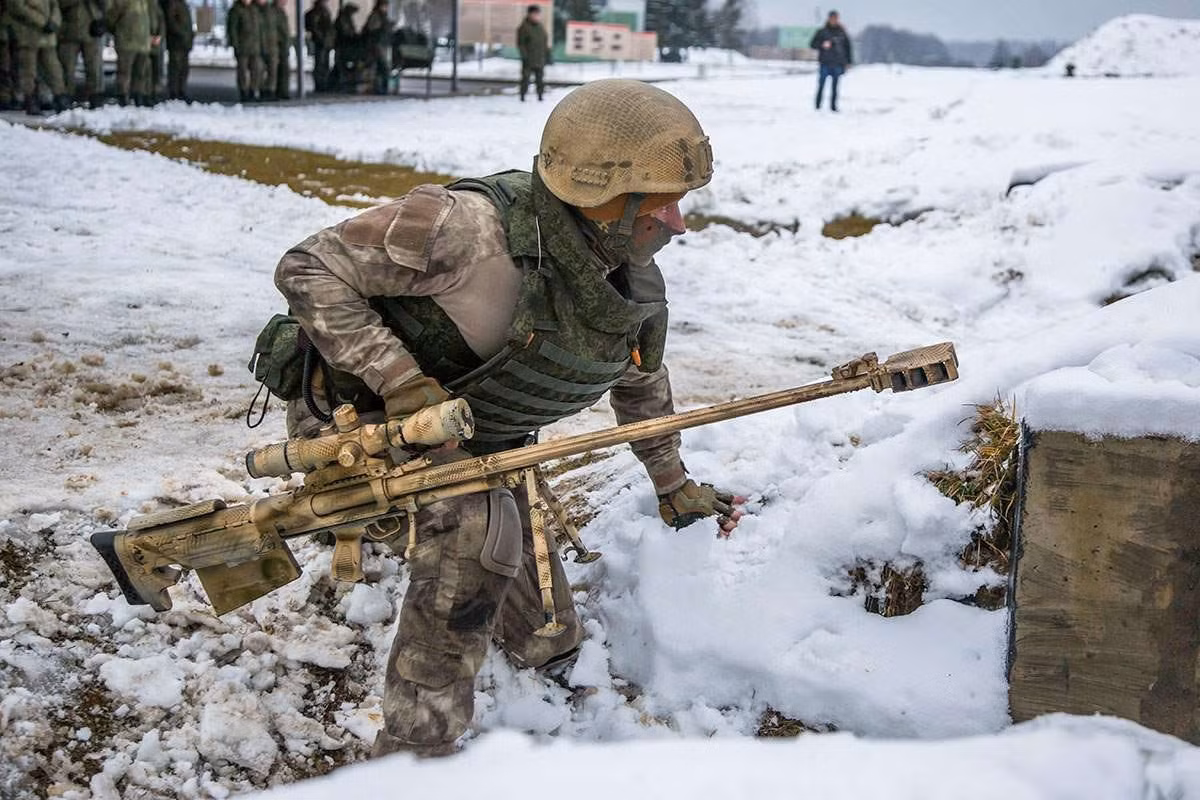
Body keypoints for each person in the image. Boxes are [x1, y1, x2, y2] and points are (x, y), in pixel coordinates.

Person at [264, 79, 743, 758]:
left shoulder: (626, 277)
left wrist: (672, 482)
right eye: (660, 205)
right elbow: (309, 266)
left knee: (549, 634)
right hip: (360, 424)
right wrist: (400, 382)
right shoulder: (464, 229)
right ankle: (416, 751)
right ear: (602, 197)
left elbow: (638, 376)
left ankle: (538, 667)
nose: (677, 224)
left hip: (478, 438)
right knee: (476, 522)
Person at [9, 0, 69, 114]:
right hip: (28, 34)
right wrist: (42, 22)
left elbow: (55, 5)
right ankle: (31, 100)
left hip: (47, 36)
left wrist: (54, 22)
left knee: (54, 69)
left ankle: (61, 96)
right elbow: (18, 8)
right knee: (28, 71)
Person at [55, 0, 104, 108]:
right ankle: (66, 96)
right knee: (67, 68)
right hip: (69, 30)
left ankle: (95, 96)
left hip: (91, 28)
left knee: (94, 67)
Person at [105, 0, 151, 106]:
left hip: (127, 40)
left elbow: (111, 17)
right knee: (139, 73)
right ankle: (137, 98)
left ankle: (124, 97)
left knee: (125, 73)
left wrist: (115, 29)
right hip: (141, 41)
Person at [809, 9, 852, 112]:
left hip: (838, 63)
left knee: (835, 86)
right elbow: (812, 44)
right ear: (829, 19)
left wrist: (848, 62)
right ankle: (818, 106)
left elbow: (848, 47)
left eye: (836, 18)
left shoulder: (842, 32)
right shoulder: (822, 32)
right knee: (821, 85)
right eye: (832, 18)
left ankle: (833, 107)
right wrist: (822, 45)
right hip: (825, 62)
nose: (834, 20)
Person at [226, 0, 260, 102]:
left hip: (254, 46)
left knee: (256, 70)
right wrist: (235, 45)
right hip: (242, 46)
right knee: (242, 71)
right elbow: (232, 29)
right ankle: (243, 92)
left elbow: (258, 29)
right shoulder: (236, 10)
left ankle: (252, 91)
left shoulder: (254, 9)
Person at [515, 3, 547, 102]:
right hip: (529, 58)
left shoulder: (540, 27)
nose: (537, 16)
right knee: (525, 79)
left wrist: (547, 53)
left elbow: (544, 40)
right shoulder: (524, 27)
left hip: (539, 57)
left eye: (538, 14)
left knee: (540, 79)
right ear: (529, 14)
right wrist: (524, 56)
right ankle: (523, 96)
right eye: (535, 14)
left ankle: (540, 96)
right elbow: (521, 43)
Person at [163, 0, 193, 101]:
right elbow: (170, 21)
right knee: (175, 68)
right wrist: (181, 33)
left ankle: (181, 90)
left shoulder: (183, 4)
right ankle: (174, 92)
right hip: (176, 42)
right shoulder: (173, 3)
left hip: (184, 43)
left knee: (184, 69)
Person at [303, 0, 333, 91]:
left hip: (325, 41)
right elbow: (314, 27)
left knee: (325, 63)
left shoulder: (324, 11)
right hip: (320, 42)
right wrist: (321, 38)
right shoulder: (316, 13)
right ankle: (320, 84)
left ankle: (324, 83)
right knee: (320, 63)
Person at [361, 0, 388, 95]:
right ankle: (377, 87)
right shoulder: (376, 16)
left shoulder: (381, 16)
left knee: (379, 67)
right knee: (378, 67)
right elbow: (372, 29)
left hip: (378, 44)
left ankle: (379, 87)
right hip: (375, 45)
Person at [331, 0, 357, 91]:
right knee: (339, 64)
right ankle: (336, 83)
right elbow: (345, 31)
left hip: (345, 44)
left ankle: (337, 82)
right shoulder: (343, 19)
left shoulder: (346, 18)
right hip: (342, 44)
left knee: (340, 64)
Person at [269, 0, 288, 99]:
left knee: (284, 69)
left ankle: (283, 91)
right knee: (275, 69)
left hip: (283, 44)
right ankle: (275, 91)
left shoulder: (281, 11)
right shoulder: (272, 11)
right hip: (276, 43)